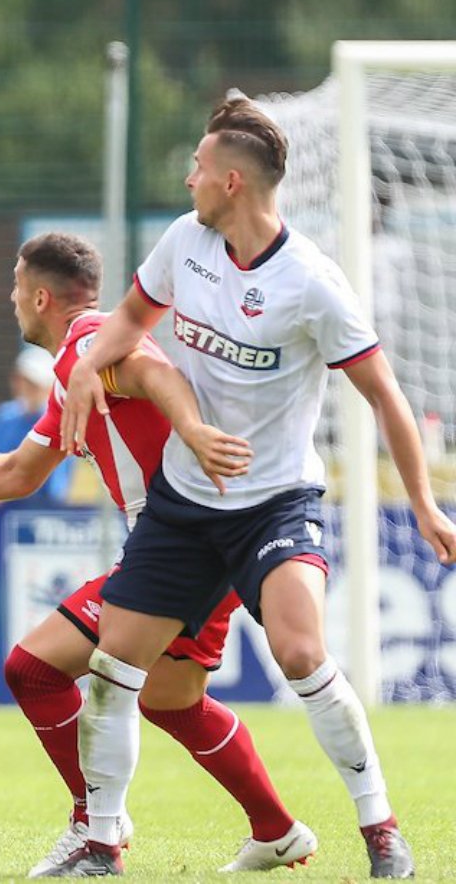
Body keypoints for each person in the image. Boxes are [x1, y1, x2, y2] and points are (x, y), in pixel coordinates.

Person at [52, 94, 456, 878]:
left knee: (302, 652)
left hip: (274, 505)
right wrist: (80, 377)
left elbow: (387, 399)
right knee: (112, 672)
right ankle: (102, 845)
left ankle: (381, 832)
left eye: (198, 167)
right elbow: (129, 322)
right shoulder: (185, 242)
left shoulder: (313, 283)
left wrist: (425, 501)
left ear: (232, 182)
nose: (187, 176)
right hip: (183, 506)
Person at [0, 233, 313, 876]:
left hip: (180, 544)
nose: (10, 298)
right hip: (195, 540)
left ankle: (94, 824)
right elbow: (15, 475)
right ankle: (276, 829)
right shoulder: (80, 363)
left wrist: (191, 430)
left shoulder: (88, 340)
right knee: (172, 700)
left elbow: (155, 370)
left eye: (16, 287)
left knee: (35, 670)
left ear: (40, 296)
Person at [0, 346, 73, 509]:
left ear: (50, 386)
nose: (25, 388)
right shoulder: (4, 416)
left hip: (34, 518)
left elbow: (53, 491)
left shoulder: (60, 423)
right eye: (22, 381)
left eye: (33, 384)